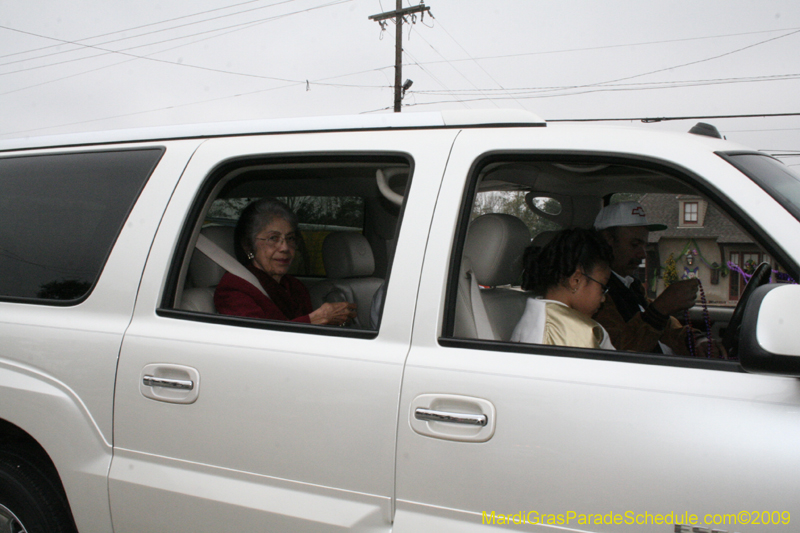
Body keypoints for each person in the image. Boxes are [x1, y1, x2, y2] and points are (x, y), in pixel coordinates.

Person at [592, 201, 723, 356]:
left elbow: (666, 328)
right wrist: (660, 309)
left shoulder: (630, 285)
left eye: (644, 245)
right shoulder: (596, 294)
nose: (643, 254)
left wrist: (696, 341)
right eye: (634, 244)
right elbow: (620, 352)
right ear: (608, 241)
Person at [214, 198, 357, 325]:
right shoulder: (234, 288)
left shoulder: (295, 287)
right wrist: (316, 319)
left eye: (290, 238)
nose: (285, 248)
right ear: (248, 245)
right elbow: (256, 340)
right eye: (273, 238)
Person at [511, 228, 616, 349]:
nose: (603, 298)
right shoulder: (576, 333)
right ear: (576, 280)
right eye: (602, 287)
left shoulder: (537, 319)